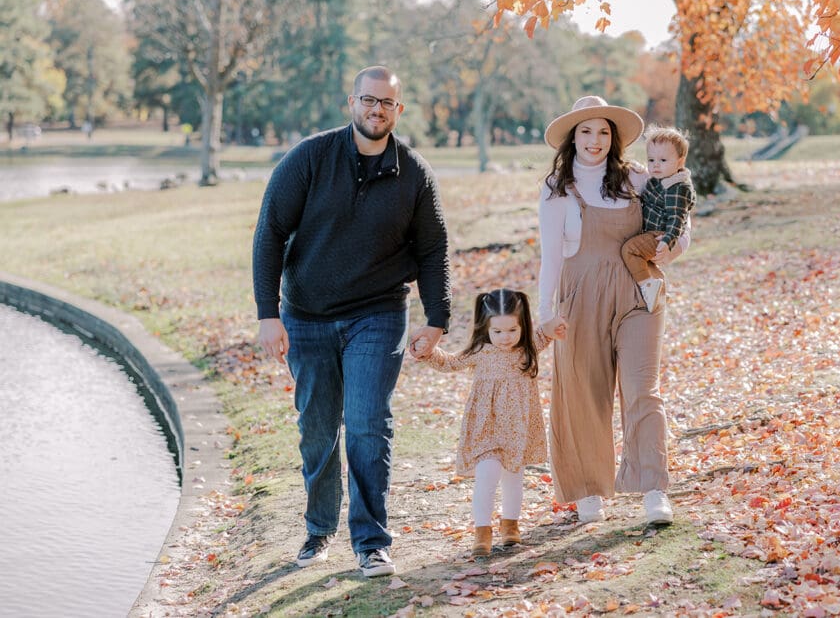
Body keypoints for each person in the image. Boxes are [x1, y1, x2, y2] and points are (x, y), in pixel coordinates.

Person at [252, 65, 451, 577]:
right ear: (352, 102)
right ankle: (319, 530)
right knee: (318, 429)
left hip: (377, 312)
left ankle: (370, 541)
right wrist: (267, 314)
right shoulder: (311, 158)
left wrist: (437, 318)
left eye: (386, 102)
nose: (376, 109)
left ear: (398, 110)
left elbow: (433, 249)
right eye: (368, 99)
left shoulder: (413, 173)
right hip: (308, 316)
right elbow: (270, 231)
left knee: (366, 423)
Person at [537, 95, 689, 526]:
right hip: (580, 298)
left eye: (603, 131)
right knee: (585, 390)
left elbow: (678, 219)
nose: (595, 140)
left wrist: (671, 249)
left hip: (640, 293)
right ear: (572, 137)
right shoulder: (557, 190)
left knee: (643, 388)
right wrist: (545, 313)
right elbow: (550, 257)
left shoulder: (638, 179)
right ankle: (589, 489)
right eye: (586, 130)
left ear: (614, 138)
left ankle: (654, 488)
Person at [413, 288, 549, 558]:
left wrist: (557, 324)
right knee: (487, 475)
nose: (504, 338)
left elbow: (549, 330)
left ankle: (510, 525)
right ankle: (482, 531)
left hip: (517, 427)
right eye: (497, 332)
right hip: (486, 427)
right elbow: (450, 363)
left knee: (514, 476)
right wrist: (427, 351)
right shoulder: (481, 351)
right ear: (485, 328)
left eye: (512, 330)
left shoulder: (528, 348)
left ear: (523, 326)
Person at [620, 126, 696, 312]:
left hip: (660, 236)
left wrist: (668, 241)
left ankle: (648, 287)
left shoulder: (676, 188)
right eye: (651, 160)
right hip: (652, 232)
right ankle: (658, 287)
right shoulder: (658, 179)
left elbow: (677, 219)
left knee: (630, 250)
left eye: (663, 160)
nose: (655, 165)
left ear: (680, 161)